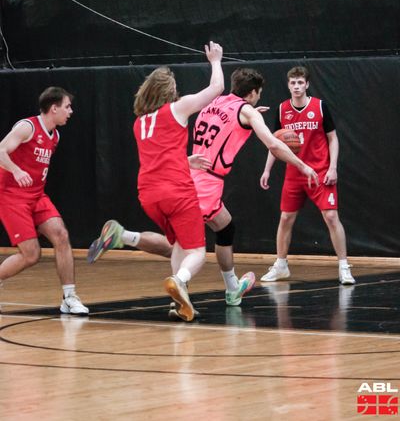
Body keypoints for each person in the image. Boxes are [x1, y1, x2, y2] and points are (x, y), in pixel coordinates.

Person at [88, 68, 318, 313]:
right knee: (186, 248)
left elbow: (225, 118)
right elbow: (273, 144)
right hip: (203, 184)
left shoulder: (214, 104)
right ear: (252, 93)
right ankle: (136, 247)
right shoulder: (244, 111)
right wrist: (303, 165)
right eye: (258, 94)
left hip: (186, 174)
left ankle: (230, 288)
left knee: (223, 228)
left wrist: (250, 116)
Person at [91, 41, 225, 323]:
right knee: (198, 252)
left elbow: (158, 156)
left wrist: (185, 160)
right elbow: (216, 89)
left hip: (149, 194)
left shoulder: (139, 123)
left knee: (179, 247)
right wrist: (215, 61)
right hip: (176, 190)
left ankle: (179, 301)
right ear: (169, 91)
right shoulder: (177, 109)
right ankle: (179, 280)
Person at [259, 66, 355, 285]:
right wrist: (267, 170)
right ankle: (281, 265)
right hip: (294, 172)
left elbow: (333, 138)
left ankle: (344, 266)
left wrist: (333, 167)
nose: (296, 86)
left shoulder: (319, 106)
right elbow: (275, 143)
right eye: (293, 83)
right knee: (285, 218)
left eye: (300, 82)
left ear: (307, 84)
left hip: (320, 171)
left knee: (331, 217)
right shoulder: (282, 109)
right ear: (288, 85)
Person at [0, 86, 89, 315]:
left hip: (37, 195)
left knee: (61, 235)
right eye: (67, 106)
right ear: (54, 108)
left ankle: (69, 297)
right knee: (32, 255)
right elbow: (1, 150)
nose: (71, 111)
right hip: (12, 196)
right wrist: (16, 170)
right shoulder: (27, 127)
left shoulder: (55, 136)